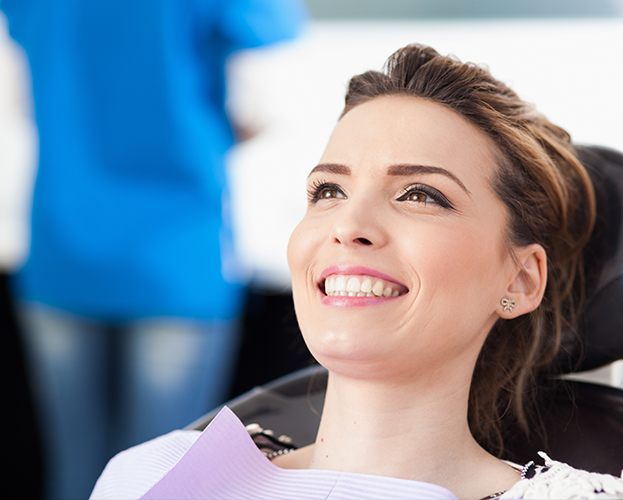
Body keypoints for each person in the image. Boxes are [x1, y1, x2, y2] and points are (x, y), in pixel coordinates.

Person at [90, 44, 623, 499]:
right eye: (329, 191)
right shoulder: (149, 475)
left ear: (521, 280)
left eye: (420, 194)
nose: (348, 224)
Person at [0, 1, 306, 499]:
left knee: (78, 474)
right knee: (166, 482)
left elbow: (24, 104)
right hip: (177, 257)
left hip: (63, 246)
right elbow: (261, 108)